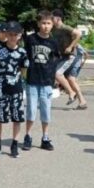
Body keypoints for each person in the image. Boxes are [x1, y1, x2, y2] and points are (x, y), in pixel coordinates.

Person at [0, 21, 29, 158]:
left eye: (15, 34)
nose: (12, 37)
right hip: (1, 88)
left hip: (16, 89)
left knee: (17, 118)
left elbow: (24, 70)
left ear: (19, 36)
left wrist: (20, 81)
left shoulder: (22, 52)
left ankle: (14, 144)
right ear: (6, 34)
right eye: (10, 34)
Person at [23, 10, 60, 151]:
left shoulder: (53, 42)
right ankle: (28, 135)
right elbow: (24, 57)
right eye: (43, 23)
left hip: (47, 82)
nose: (45, 26)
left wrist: (55, 78)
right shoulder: (31, 39)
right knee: (31, 110)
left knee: (46, 111)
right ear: (38, 24)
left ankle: (45, 137)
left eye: (48, 23)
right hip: (32, 80)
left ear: (52, 25)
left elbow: (55, 59)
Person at [51, 9, 84, 107]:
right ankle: (82, 101)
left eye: (52, 18)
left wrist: (70, 47)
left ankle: (71, 92)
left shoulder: (64, 27)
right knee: (71, 79)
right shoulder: (54, 30)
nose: (51, 20)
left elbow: (78, 34)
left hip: (70, 56)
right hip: (63, 57)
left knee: (57, 73)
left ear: (57, 18)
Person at [64, 43, 88, 110]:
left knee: (71, 79)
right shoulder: (70, 44)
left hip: (75, 66)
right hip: (70, 66)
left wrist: (82, 63)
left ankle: (82, 101)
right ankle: (77, 97)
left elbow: (86, 54)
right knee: (69, 81)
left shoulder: (77, 45)